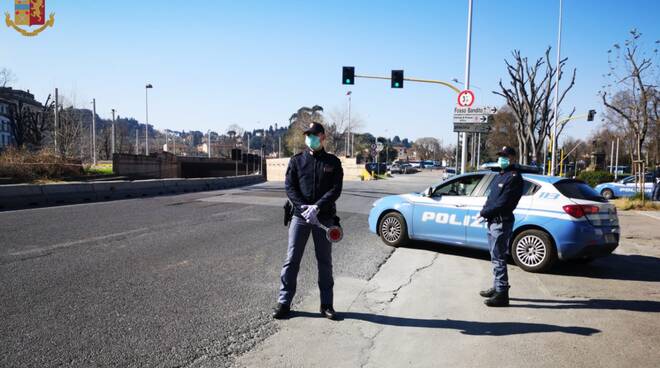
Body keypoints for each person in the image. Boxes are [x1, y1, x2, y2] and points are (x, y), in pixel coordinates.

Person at [273, 122, 344, 320]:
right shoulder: (297, 161)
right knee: (292, 260)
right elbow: (290, 187)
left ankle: (327, 305)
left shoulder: (333, 162)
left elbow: (335, 189)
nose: (310, 138)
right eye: (308, 135)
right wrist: (304, 207)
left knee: (325, 262)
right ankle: (284, 303)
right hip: (300, 217)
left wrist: (317, 207)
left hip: (324, 217)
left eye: (314, 135)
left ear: (322, 137)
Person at [478, 146, 524, 307]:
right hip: (493, 220)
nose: (501, 159)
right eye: (500, 156)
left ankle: (502, 293)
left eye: (505, 156)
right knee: (494, 256)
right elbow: (492, 198)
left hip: (501, 221)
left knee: (499, 258)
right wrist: (485, 211)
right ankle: (498, 286)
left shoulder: (514, 177)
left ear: (513, 158)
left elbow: (504, 202)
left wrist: (484, 213)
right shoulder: (501, 175)